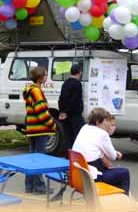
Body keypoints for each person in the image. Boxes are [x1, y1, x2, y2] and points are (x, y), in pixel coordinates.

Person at [72, 108, 130, 195]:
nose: (108, 123)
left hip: (78, 176)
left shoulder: (84, 128)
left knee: (112, 170)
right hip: (92, 177)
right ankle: (123, 201)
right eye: (106, 121)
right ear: (98, 122)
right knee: (124, 173)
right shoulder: (102, 134)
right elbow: (113, 156)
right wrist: (117, 154)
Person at [23, 66, 56, 194]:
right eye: (46, 75)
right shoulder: (36, 91)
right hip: (40, 129)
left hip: (32, 128)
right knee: (39, 159)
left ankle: (29, 186)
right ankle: (40, 187)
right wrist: (52, 124)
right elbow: (41, 111)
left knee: (32, 158)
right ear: (40, 77)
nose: (47, 77)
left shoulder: (30, 90)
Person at [58, 64, 85, 153]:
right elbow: (74, 100)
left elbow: (62, 98)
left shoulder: (65, 82)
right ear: (79, 72)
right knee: (80, 134)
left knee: (68, 136)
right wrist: (67, 111)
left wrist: (62, 111)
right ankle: (78, 154)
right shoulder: (77, 84)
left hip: (65, 114)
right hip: (75, 114)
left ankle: (68, 155)